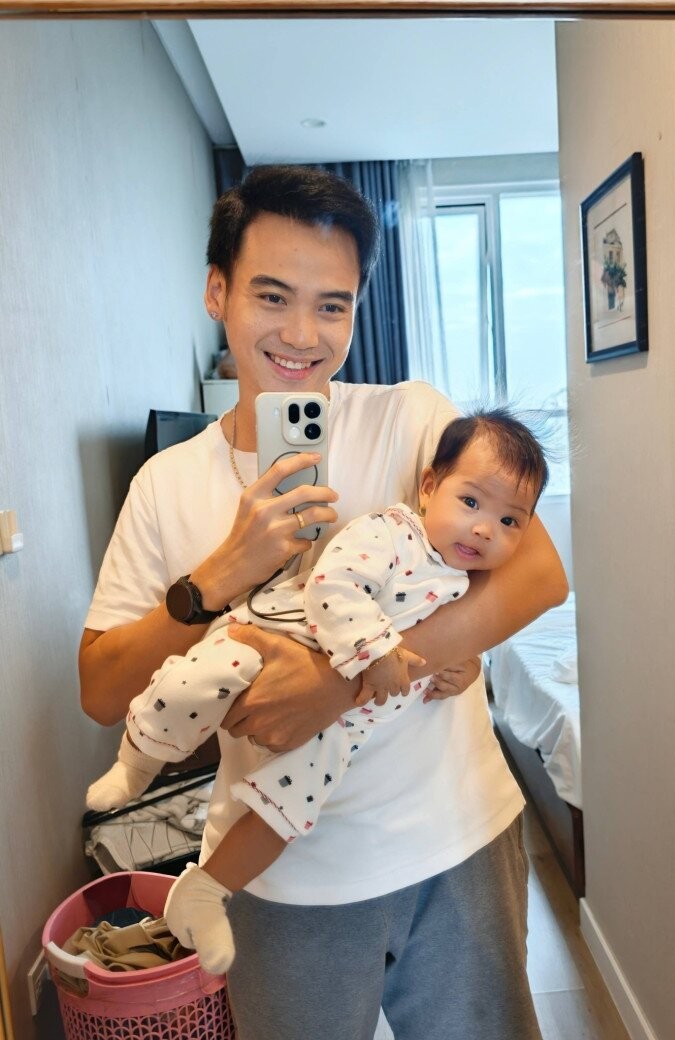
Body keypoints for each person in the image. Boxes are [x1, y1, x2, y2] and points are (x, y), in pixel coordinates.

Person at [80, 164, 568, 1040]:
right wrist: (217, 577)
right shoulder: (165, 483)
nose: (303, 334)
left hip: (456, 843)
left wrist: (339, 683)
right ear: (217, 291)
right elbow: (101, 690)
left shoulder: (411, 419)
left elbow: (539, 575)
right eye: (272, 296)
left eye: (332, 305)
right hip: (278, 879)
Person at [85, 410, 549, 976]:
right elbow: (333, 584)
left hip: (346, 731)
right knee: (196, 678)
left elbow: (472, 629)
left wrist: (465, 667)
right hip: (276, 637)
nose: (484, 529)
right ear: (429, 487)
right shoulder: (392, 532)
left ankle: (203, 891)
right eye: (471, 503)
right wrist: (375, 654)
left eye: (509, 521)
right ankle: (137, 762)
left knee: (287, 809)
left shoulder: (464, 578)